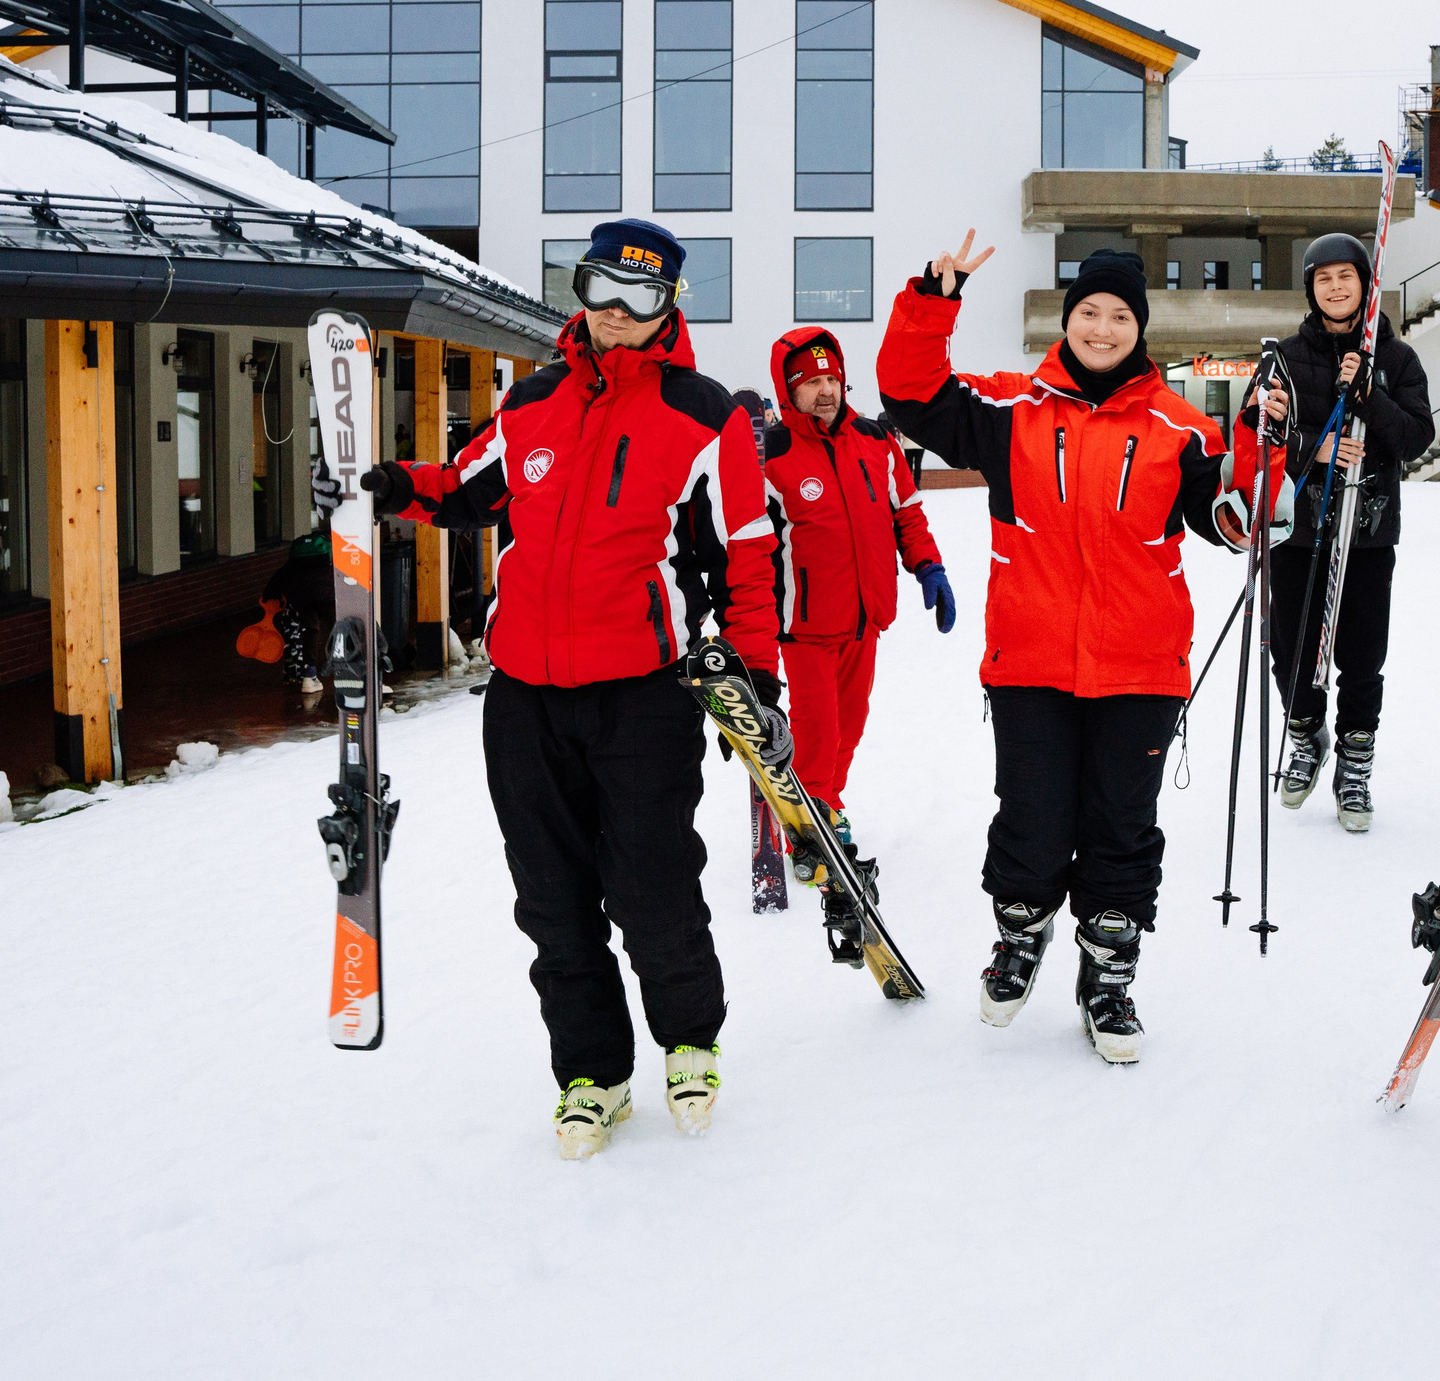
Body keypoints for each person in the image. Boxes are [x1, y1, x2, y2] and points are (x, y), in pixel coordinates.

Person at [314, 219, 783, 1160]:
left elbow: (747, 556)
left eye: (639, 298)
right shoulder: (531, 402)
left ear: (669, 308)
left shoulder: (705, 415)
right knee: (552, 901)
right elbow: (462, 488)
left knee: (652, 887)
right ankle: (592, 1074)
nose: (615, 314)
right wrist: (389, 485)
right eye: (602, 289)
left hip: (640, 698)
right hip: (524, 698)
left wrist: (757, 682)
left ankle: (688, 1042)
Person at [877, 235, 1275, 1064]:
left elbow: (1231, 518)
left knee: (1121, 825)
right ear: (1068, 320)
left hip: (1140, 667)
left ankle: (1109, 978)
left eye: (1119, 315)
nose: (1101, 328)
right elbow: (911, 395)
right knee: (1031, 817)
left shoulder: (1182, 429)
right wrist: (931, 301)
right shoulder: (1010, 409)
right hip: (1031, 663)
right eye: (1088, 312)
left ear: (1141, 329)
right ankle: (1020, 942)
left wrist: (1264, 456)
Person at [1251, 232, 1434, 832]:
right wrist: (1313, 445)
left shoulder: (1397, 359)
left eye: (1346, 276)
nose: (1335, 287)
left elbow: (1415, 439)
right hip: (1296, 529)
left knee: (1361, 655)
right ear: (1311, 288)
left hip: (1368, 529)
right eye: (1323, 278)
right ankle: (1307, 734)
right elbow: (1255, 435)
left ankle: (1356, 759)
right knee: (1293, 650)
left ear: (1364, 284)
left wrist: (1370, 394)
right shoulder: (1281, 357)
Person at [762, 326, 953, 850]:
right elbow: (753, 547)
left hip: (866, 617)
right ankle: (812, 816)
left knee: (850, 725)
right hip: (806, 625)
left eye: (833, 378)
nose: (826, 389)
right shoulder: (772, 456)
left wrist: (928, 567)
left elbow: (907, 514)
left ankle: (825, 802)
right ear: (789, 389)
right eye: (813, 381)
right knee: (818, 730)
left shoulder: (875, 441)